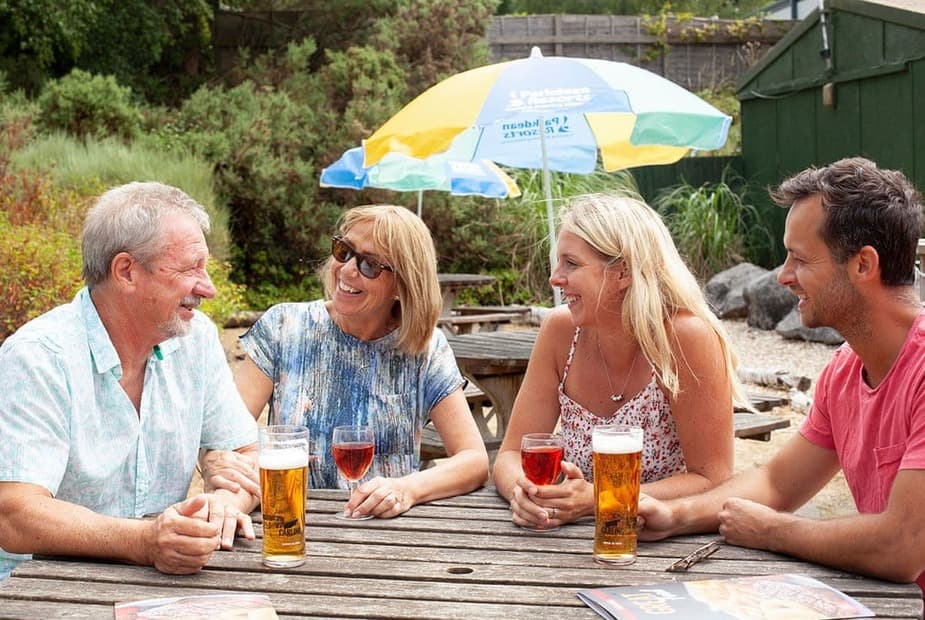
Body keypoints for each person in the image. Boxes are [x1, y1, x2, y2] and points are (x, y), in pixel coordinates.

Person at [637, 157, 925, 593]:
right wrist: (676, 516)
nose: (784, 276)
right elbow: (775, 483)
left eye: (799, 258)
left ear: (864, 265)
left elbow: (903, 545)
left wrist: (773, 530)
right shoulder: (845, 370)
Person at [0, 182, 260, 579]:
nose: (207, 288)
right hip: (39, 587)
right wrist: (143, 542)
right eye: (190, 268)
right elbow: (15, 514)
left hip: (157, 585)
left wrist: (226, 501)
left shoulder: (196, 339)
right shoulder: (38, 357)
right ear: (126, 272)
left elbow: (248, 455)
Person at [493, 192, 748, 530]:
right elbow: (510, 455)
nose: (555, 278)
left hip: (661, 540)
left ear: (622, 272)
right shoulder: (559, 331)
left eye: (571, 263)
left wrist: (601, 497)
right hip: (570, 539)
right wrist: (525, 493)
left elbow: (713, 478)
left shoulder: (685, 337)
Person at [232, 204, 489, 519]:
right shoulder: (284, 326)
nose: (347, 269)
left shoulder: (425, 349)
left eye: (370, 264)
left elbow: (474, 461)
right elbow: (227, 438)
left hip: (386, 531)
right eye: (344, 251)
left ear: (402, 284)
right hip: (292, 523)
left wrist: (407, 489)